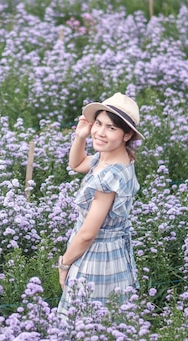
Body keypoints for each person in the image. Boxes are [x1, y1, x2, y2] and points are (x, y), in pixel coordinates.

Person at [55, 92, 144, 318]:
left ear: (127, 135)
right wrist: (81, 136)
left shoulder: (109, 177)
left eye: (111, 128)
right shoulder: (112, 159)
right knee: (108, 324)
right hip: (112, 253)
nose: (101, 132)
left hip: (95, 258)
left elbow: (87, 233)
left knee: (84, 324)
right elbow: (77, 164)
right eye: (99, 124)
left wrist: (64, 264)